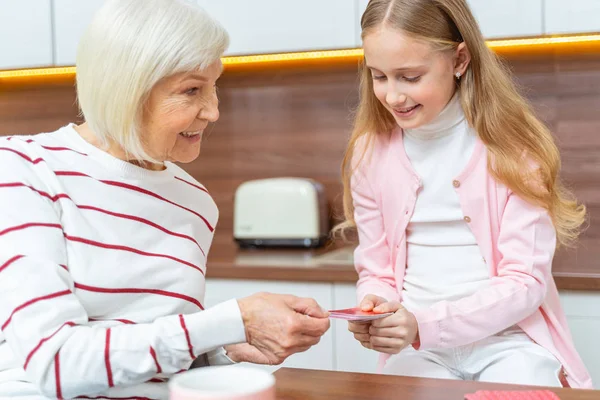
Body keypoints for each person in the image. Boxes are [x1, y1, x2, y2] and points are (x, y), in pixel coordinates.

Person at [0, 0, 330, 398]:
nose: (213, 111)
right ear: (127, 88)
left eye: (214, 86)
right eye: (192, 90)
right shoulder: (22, 168)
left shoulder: (194, 201)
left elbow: (156, 344)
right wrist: (230, 320)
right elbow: (56, 363)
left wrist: (227, 347)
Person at [339, 0, 592, 389]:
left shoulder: (512, 149)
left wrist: (423, 323)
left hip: (509, 341)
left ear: (459, 60)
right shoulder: (369, 154)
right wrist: (375, 304)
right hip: (419, 348)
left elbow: (525, 281)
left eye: (409, 76)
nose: (391, 96)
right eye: (379, 76)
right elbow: (377, 268)